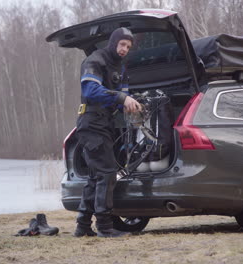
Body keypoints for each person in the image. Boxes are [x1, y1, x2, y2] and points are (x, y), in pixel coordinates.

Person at [74, 27, 142, 238]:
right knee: (106, 172)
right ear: (113, 42)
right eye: (122, 44)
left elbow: (123, 96)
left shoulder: (120, 67)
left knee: (96, 176)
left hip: (105, 124)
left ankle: (83, 227)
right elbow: (91, 91)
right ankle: (104, 227)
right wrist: (122, 99)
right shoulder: (95, 61)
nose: (124, 49)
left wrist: (134, 104)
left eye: (128, 47)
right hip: (91, 122)